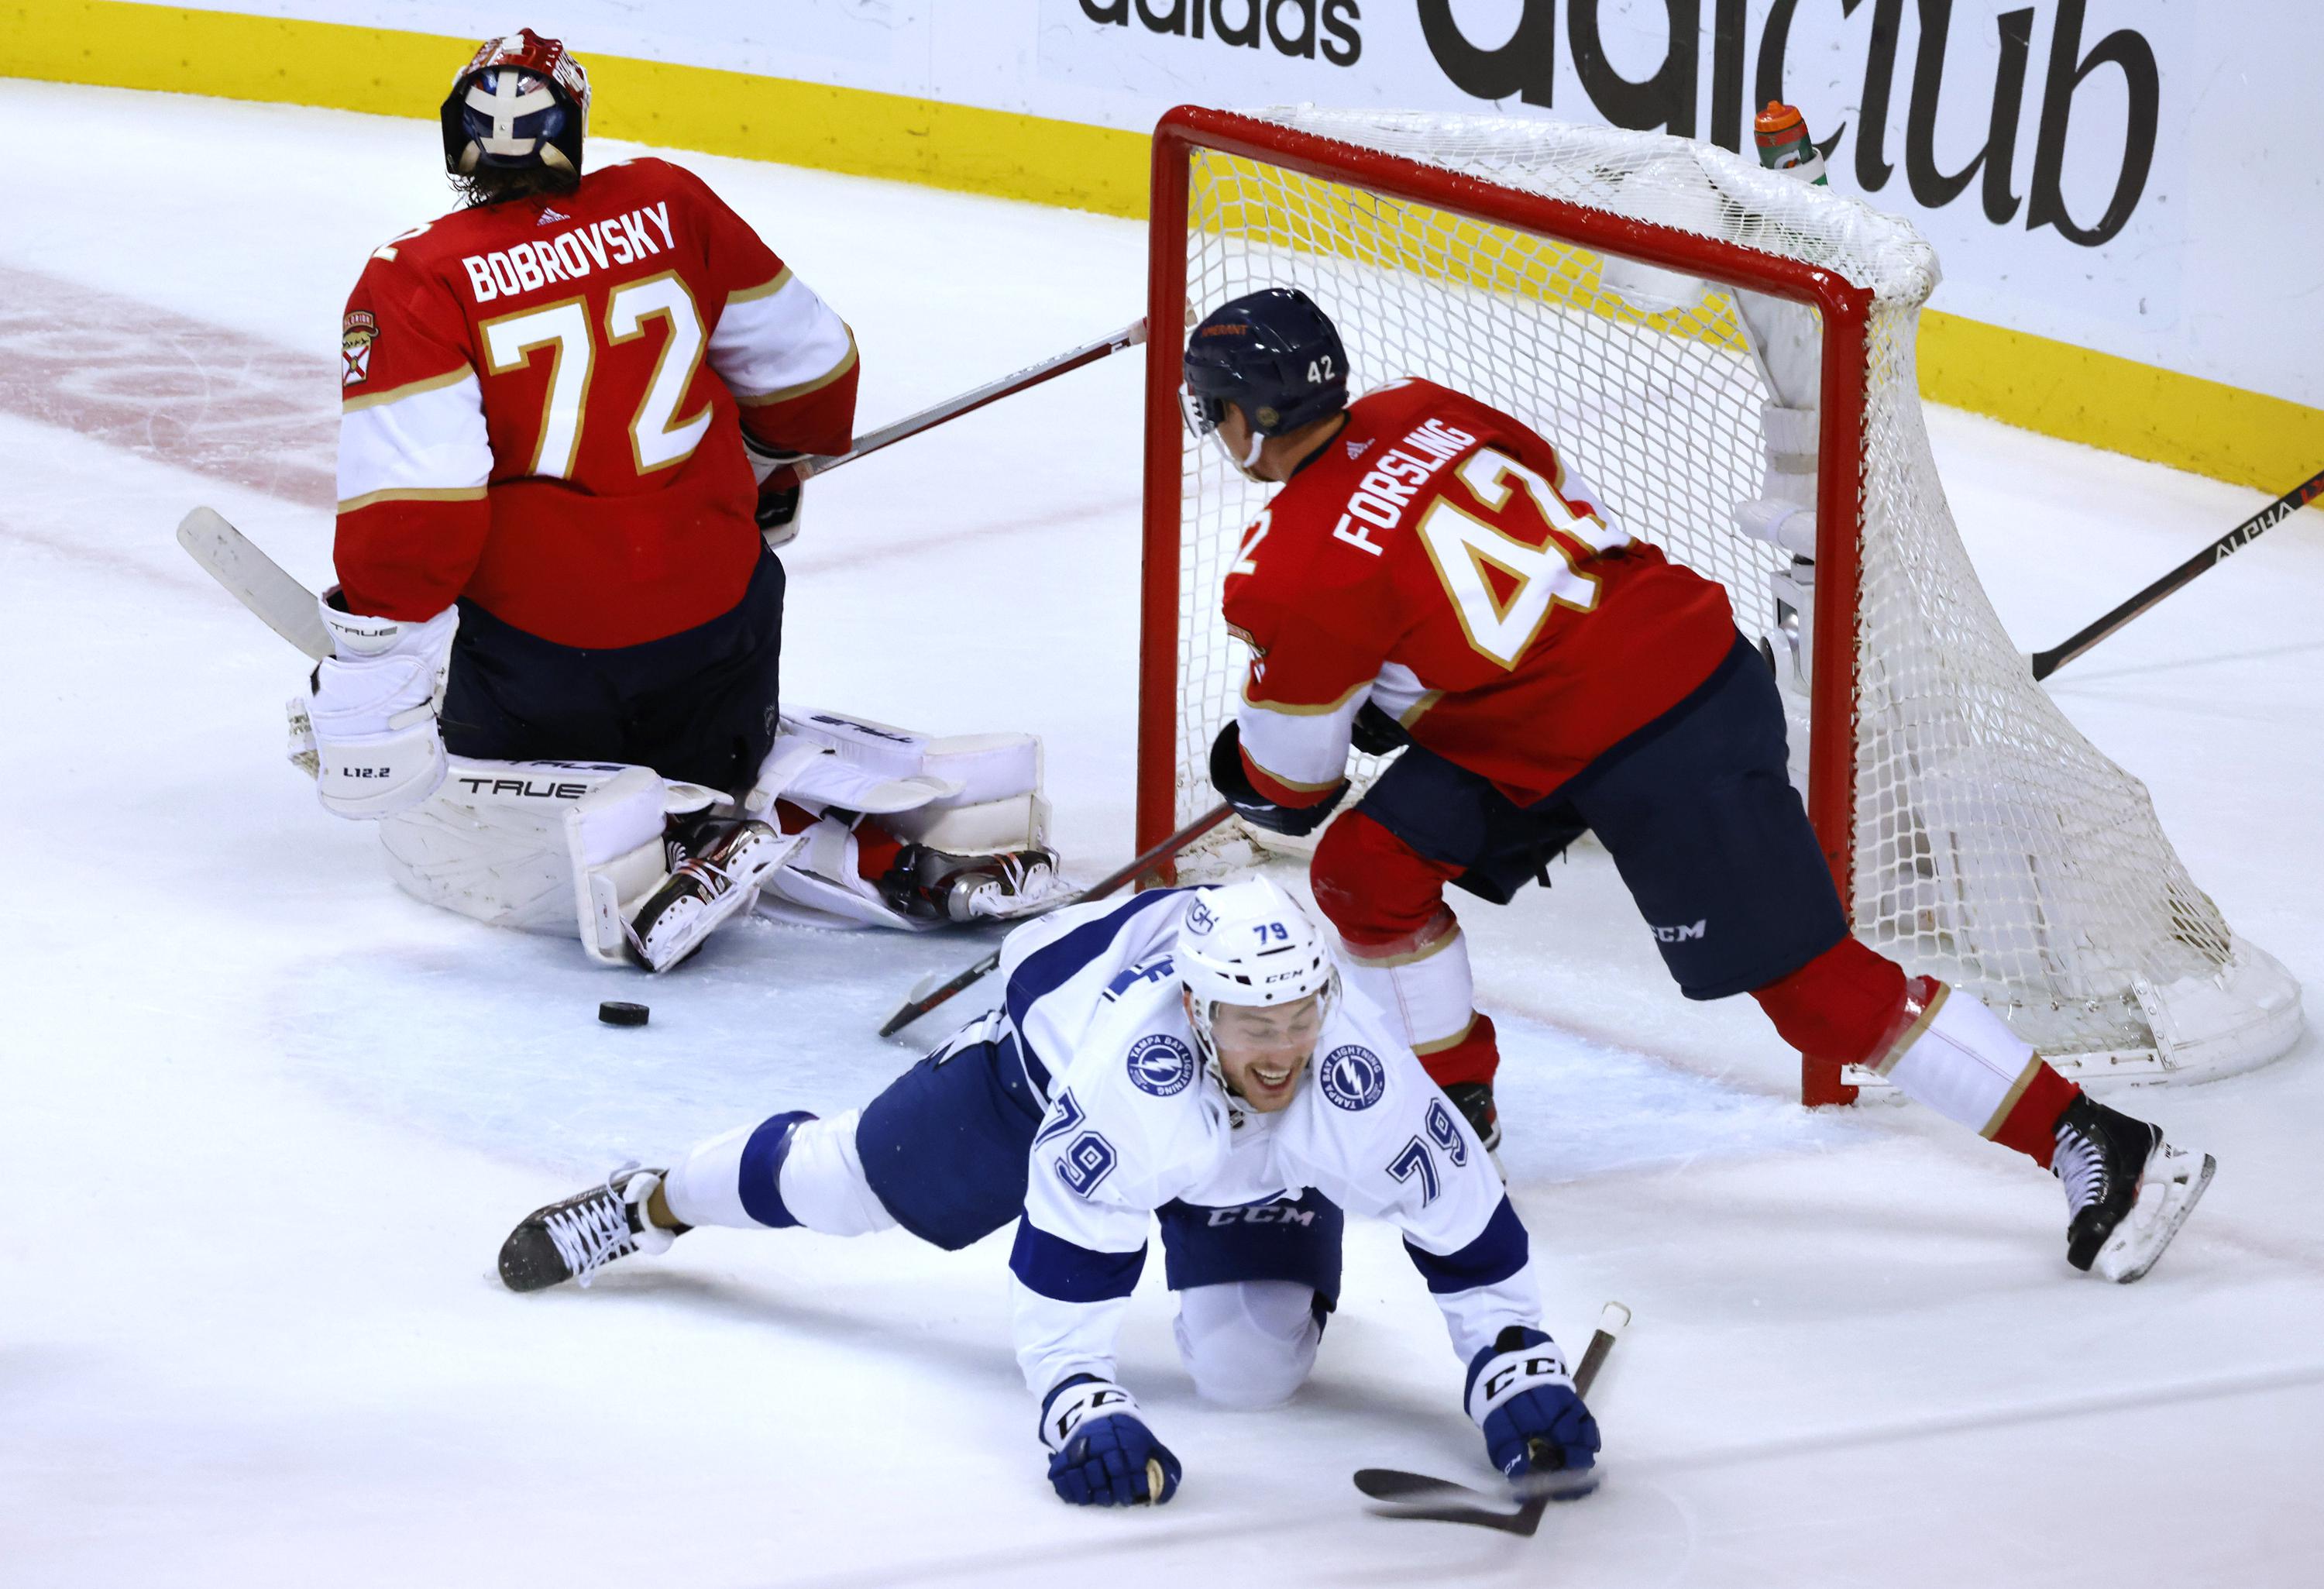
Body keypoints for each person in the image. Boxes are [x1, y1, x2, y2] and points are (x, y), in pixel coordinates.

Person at [1182, 287, 2212, 1285]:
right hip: (1594, 690)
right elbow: (1556, 532)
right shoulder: (1425, 406)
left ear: (1241, 413)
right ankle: (1457, 1116)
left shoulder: (1293, 567)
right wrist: (1411, 675)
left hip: (1663, 728)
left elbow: (1290, 789)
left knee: (1814, 993)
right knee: (1372, 870)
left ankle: (2100, 1140)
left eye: (1212, 406)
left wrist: (1307, 729)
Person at [303, 28, 1056, 972]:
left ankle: (680, 841)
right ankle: (855, 832)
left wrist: (369, 664)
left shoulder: (417, 276)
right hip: (718, 634)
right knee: (720, 739)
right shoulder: (668, 201)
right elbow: (817, 376)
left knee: (479, 809)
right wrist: (765, 460)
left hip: (547, 669)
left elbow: (415, 521)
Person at [495, 878, 1601, 1505]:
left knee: (1251, 1373)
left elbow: (1466, 1220)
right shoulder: (1132, 1079)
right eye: (1257, 1026)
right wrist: (1080, 1399)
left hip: (1226, 1154)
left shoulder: (1352, 1071)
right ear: (1197, 1009)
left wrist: (1512, 1360)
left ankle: (1255, 1233)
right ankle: (650, 1203)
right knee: (835, 1184)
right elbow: (1070, 1263)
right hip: (1031, 1078)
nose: (1285, 1048)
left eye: (1301, 1017)